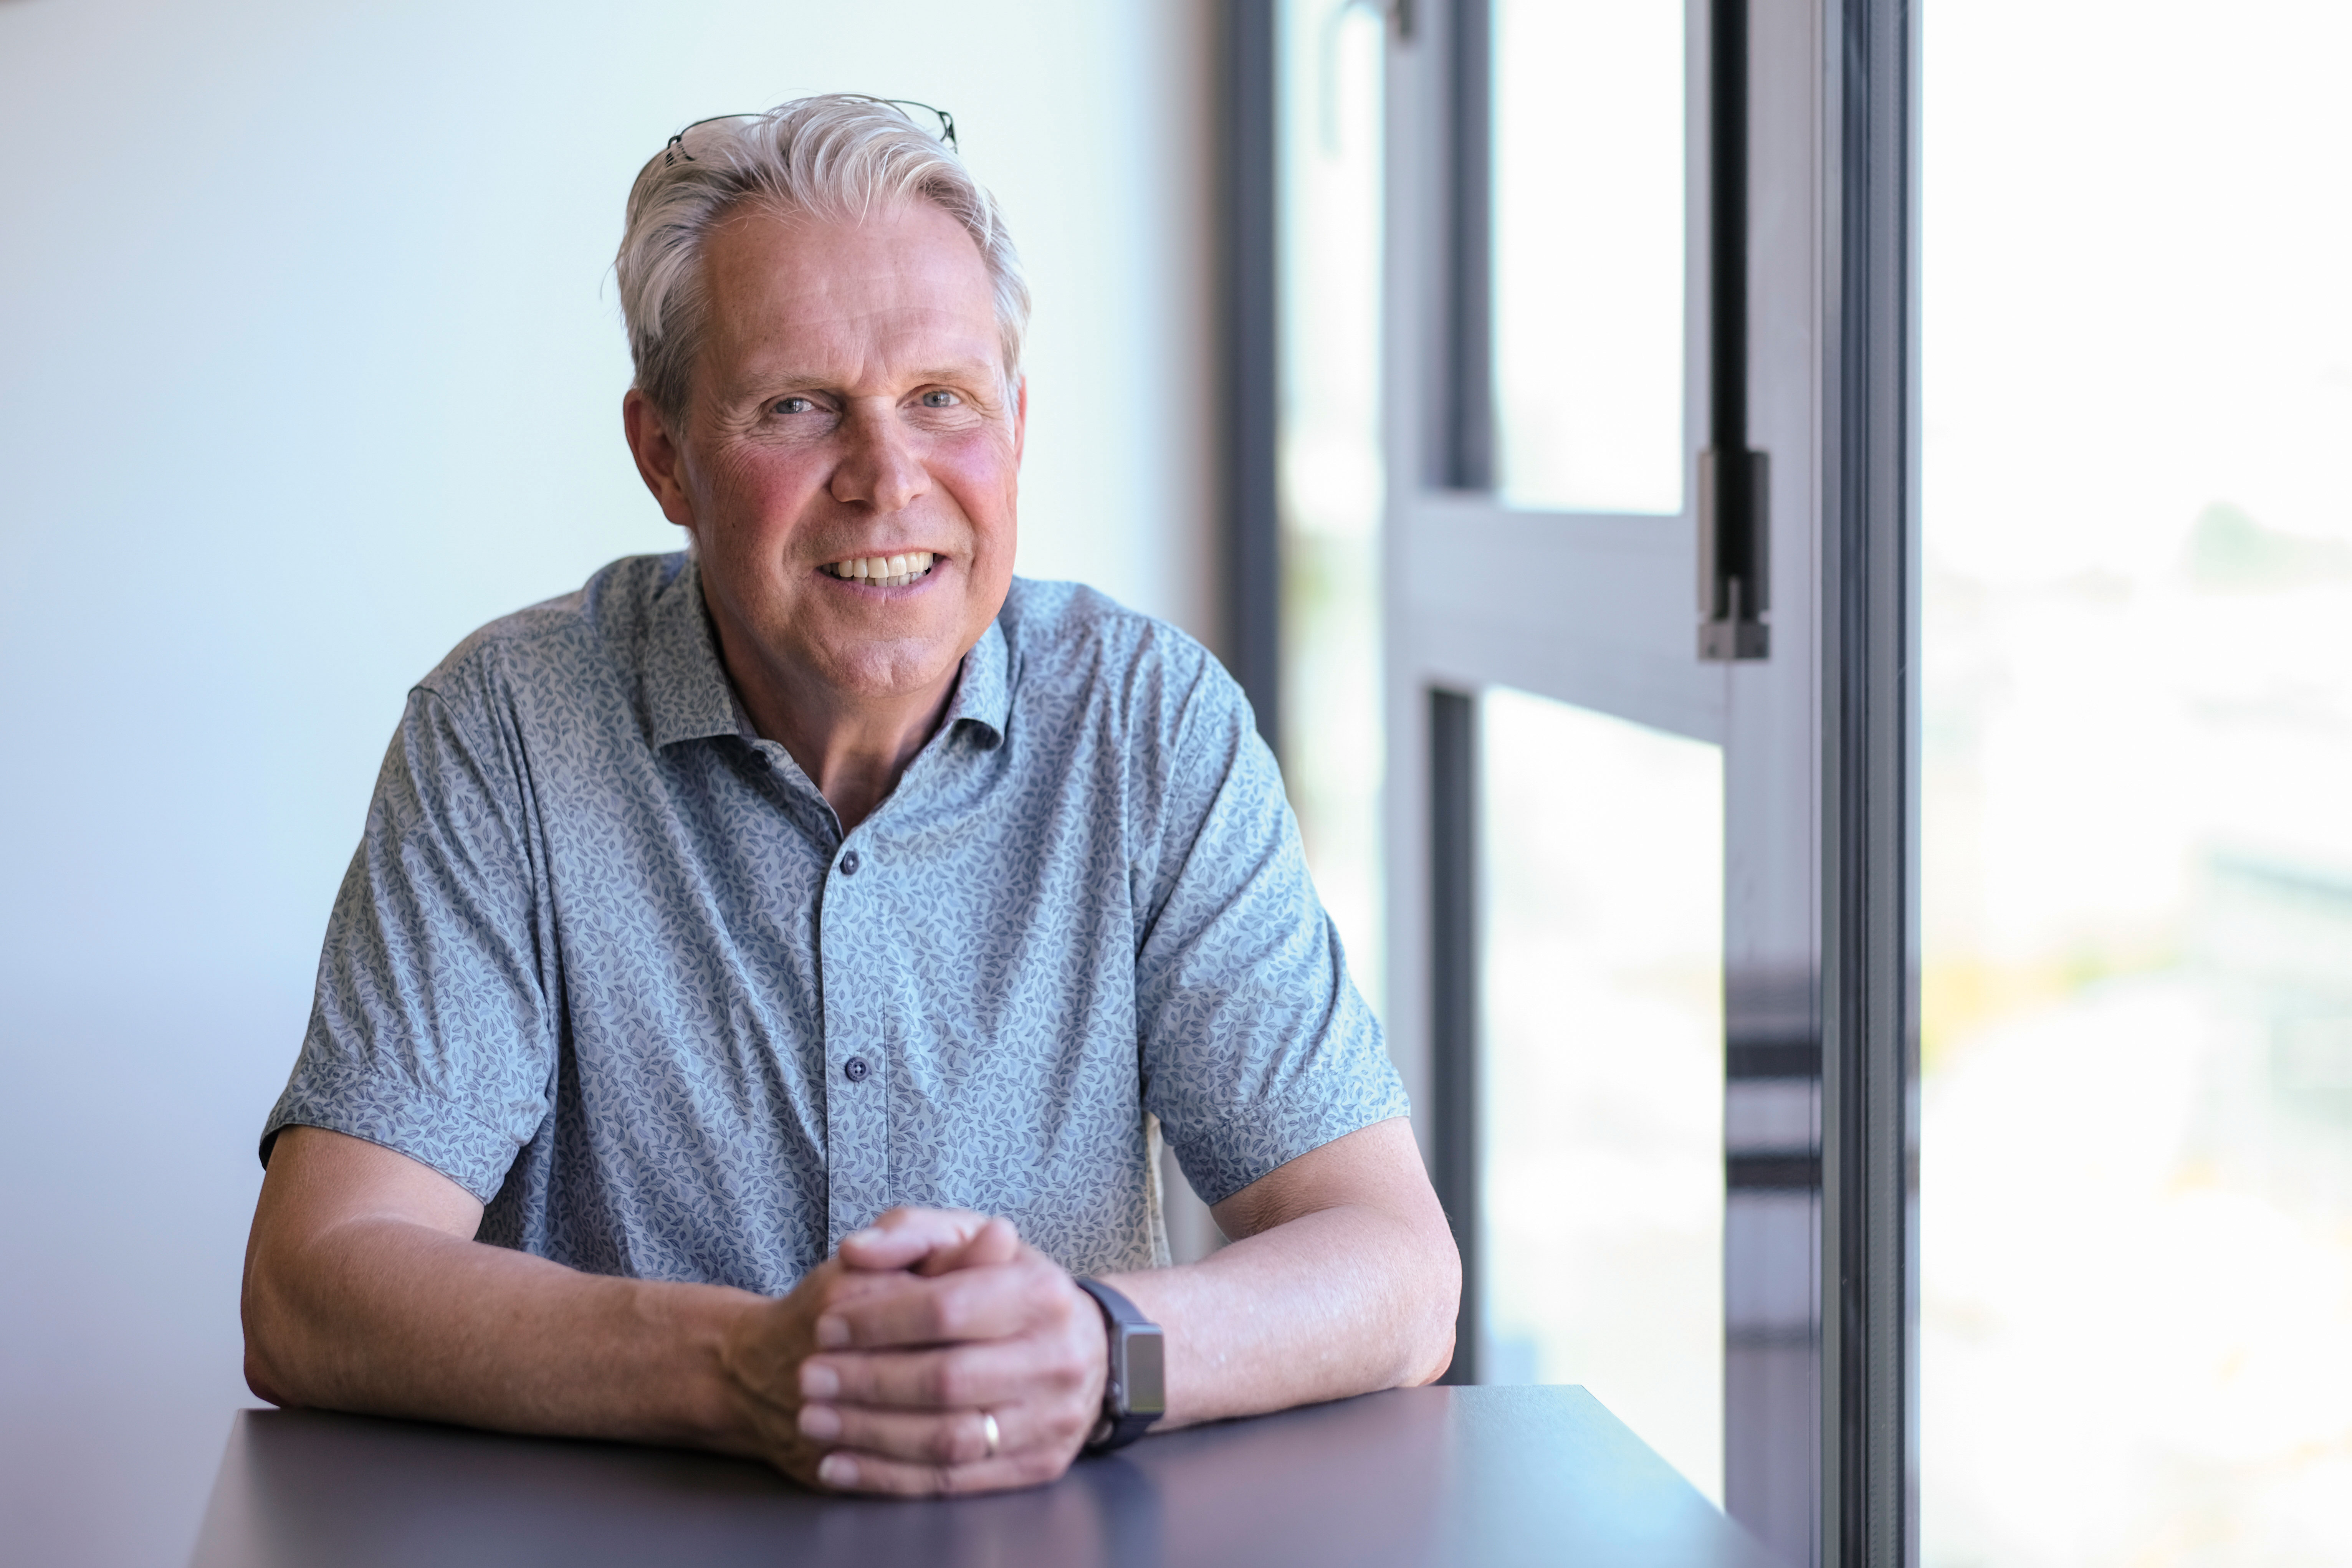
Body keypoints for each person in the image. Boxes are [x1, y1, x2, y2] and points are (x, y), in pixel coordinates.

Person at [239, 94, 1459, 1498]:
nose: (890, 481)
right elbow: (315, 1283)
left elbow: (1399, 1272)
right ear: (665, 458)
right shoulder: (506, 731)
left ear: (1017, 425)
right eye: (798, 407)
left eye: (944, 399)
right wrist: (747, 1366)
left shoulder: (1153, 726)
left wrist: (1098, 1343)